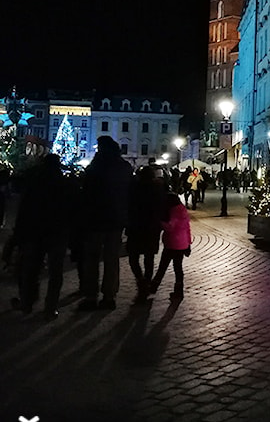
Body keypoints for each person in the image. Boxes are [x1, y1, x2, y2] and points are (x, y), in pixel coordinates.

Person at [11, 154, 75, 319]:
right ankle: (50, 306)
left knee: (30, 269)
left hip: (34, 230)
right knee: (55, 272)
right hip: (57, 231)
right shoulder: (64, 183)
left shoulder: (34, 183)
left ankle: (27, 302)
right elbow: (71, 209)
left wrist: (18, 233)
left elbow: (24, 209)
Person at [78, 135, 133, 311]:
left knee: (92, 259)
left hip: (95, 220)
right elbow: (129, 194)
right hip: (116, 220)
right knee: (111, 259)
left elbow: (86, 194)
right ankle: (109, 296)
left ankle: (90, 296)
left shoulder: (95, 167)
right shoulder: (124, 167)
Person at [125, 165, 165, 304]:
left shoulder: (134, 188)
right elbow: (162, 208)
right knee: (149, 258)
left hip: (136, 226)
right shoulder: (158, 189)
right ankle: (146, 283)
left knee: (133, 257)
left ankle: (141, 281)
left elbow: (129, 206)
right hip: (152, 228)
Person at [149, 192, 192, 300]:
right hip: (182, 244)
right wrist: (188, 244)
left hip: (172, 244)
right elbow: (187, 228)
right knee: (178, 268)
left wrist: (160, 223)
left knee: (162, 267)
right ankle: (179, 291)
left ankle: (153, 287)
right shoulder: (183, 210)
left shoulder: (174, 211)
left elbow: (170, 227)